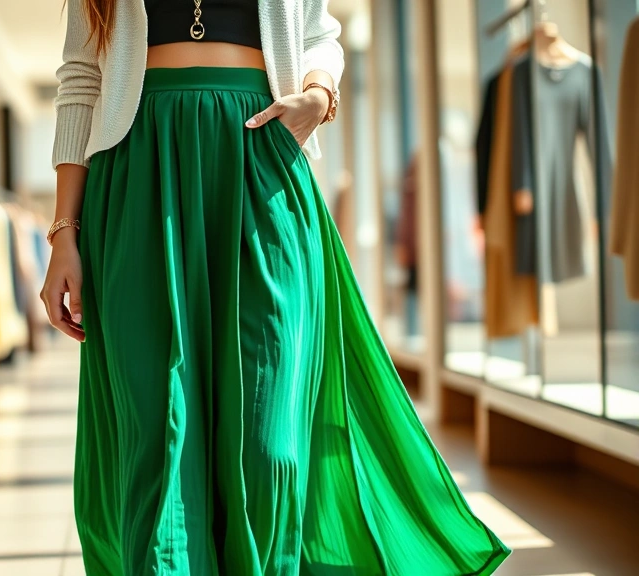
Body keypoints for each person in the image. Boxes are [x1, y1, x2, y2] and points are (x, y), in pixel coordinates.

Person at [40, 1, 511, 574]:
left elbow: (320, 35)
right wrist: (65, 231)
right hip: (141, 171)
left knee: (269, 442)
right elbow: (82, 78)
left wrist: (319, 94)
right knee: (156, 435)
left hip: (262, 162)